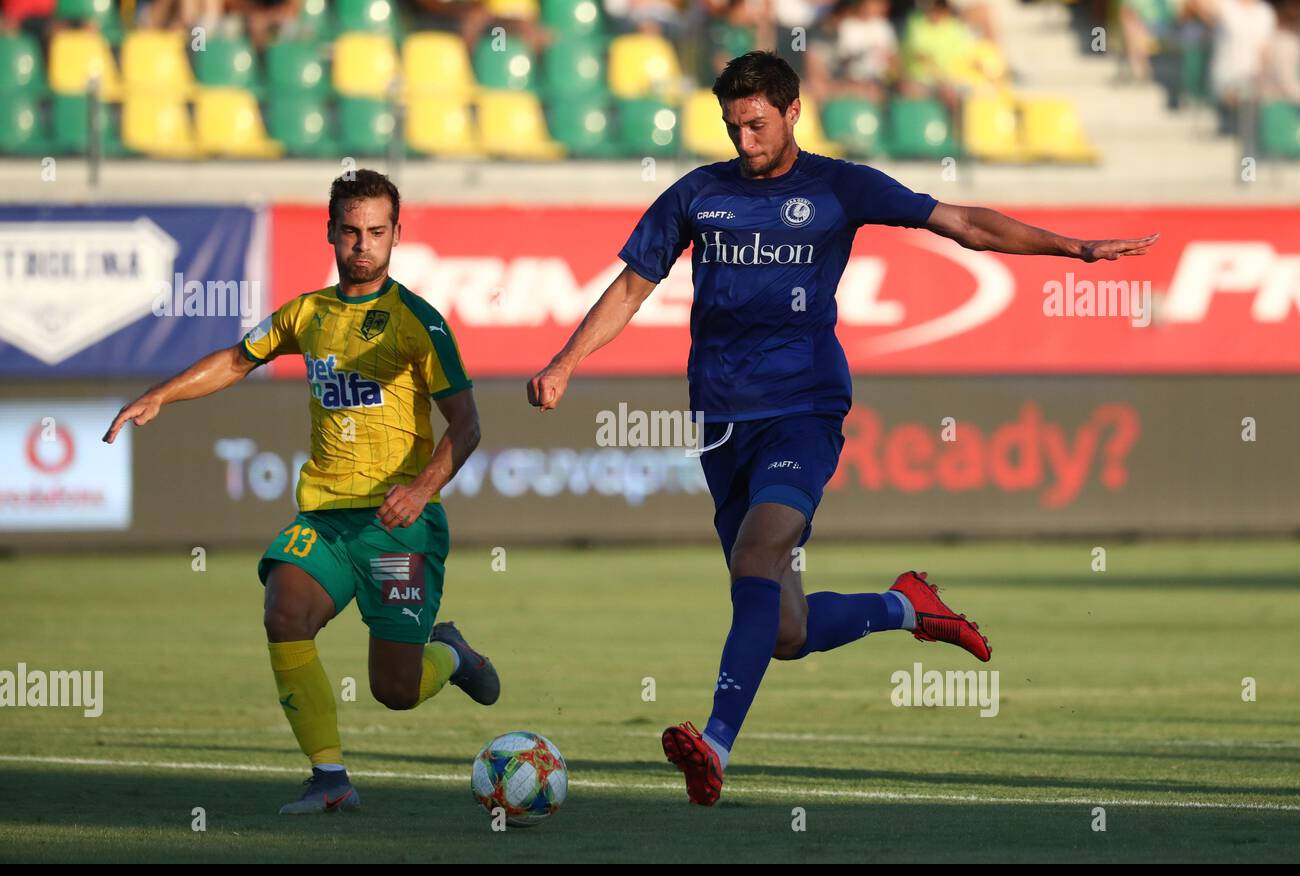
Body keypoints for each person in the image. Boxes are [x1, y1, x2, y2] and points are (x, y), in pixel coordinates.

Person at [526, 51, 1158, 806]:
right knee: (784, 629)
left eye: (757, 124)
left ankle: (716, 746)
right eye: (733, 126)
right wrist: (565, 362)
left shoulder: (838, 185)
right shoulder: (697, 195)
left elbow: (962, 224)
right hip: (721, 423)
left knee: (758, 556)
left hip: (804, 409)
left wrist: (1072, 247)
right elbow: (633, 286)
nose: (745, 140)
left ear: (794, 112)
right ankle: (905, 605)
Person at [104, 170, 499, 815]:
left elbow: (469, 424)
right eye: (350, 231)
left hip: (399, 524)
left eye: (376, 231)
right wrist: (159, 395)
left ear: (397, 234)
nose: (362, 244)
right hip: (325, 517)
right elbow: (238, 358)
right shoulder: (307, 314)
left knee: (394, 691)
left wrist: (423, 489)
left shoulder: (417, 322)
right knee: (283, 611)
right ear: (331, 233)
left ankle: (449, 656)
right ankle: (330, 778)